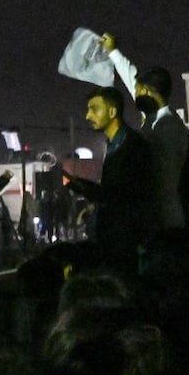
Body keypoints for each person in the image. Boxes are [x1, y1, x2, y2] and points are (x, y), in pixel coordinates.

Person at [101, 32, 188, 231]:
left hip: (164, 220)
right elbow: (131, 77)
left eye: (138, 91)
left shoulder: (168, 126)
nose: (135, 94)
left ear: (148, 92)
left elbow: (160, 177)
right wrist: (113, 51)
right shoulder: (155, 117)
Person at [65, 86, 155, 276]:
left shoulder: (131, 146)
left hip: (126, 242)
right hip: (118, 239)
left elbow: (120, 195)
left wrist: (84, 187)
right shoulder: (117, 143)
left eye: (94, 109)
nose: (88, 115)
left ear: (112, 112)